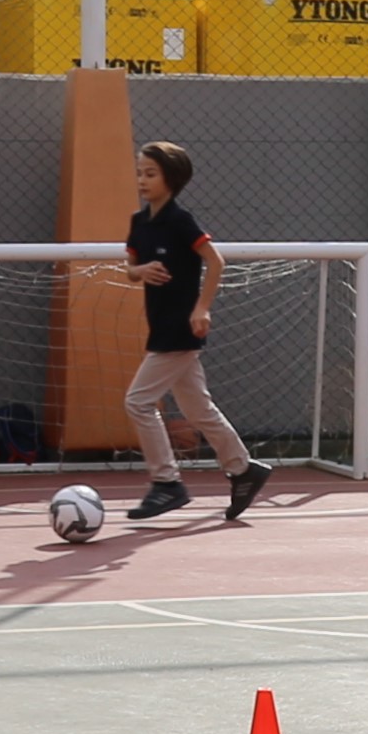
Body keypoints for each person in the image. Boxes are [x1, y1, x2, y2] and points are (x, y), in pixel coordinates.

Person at [118, 140, 268, 525]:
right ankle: (242, 468)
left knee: (137, 401)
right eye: (139, 172)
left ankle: (166, 482)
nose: (142, 179)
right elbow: (129, 268)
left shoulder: (182, 221)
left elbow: (215, 262)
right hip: (162, 326)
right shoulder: (139, 223)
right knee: (197, 407)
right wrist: (142, 271)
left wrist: (202, 307)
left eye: (150, 173)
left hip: (180, 330)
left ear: (172, 178)